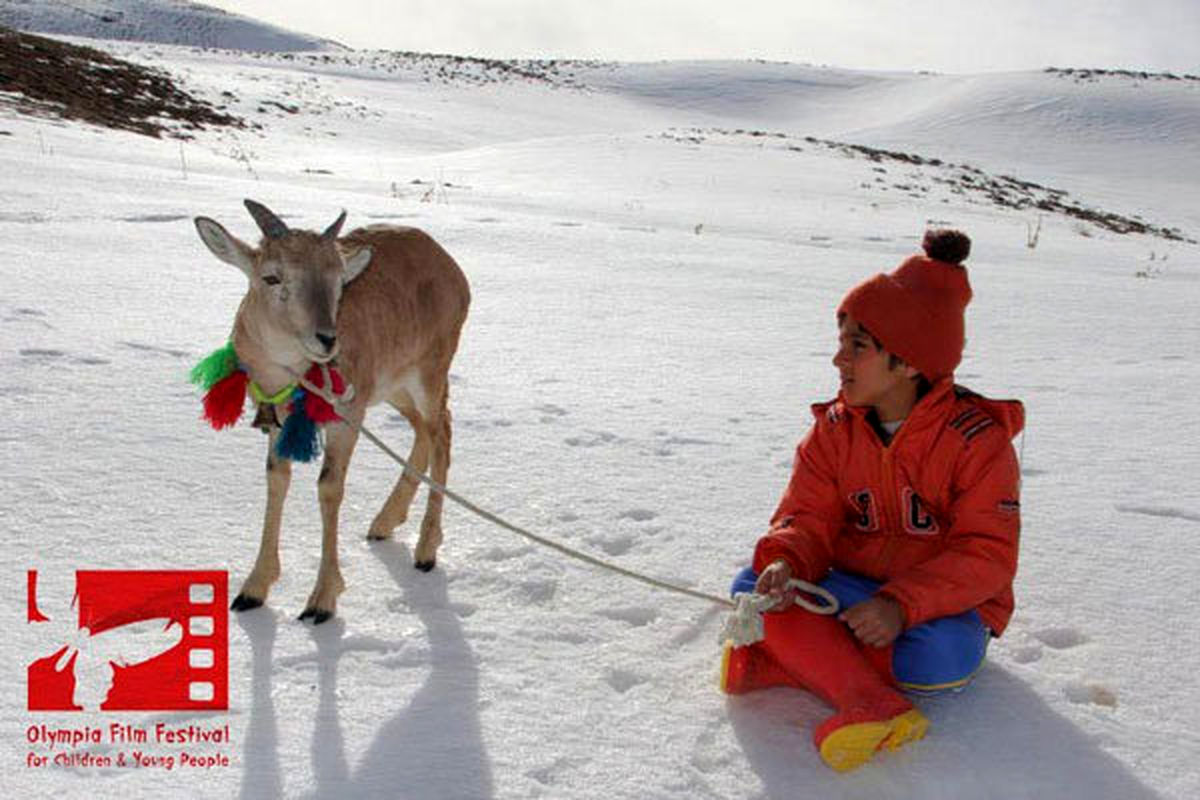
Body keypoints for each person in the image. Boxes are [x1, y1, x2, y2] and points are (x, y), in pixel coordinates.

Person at [720, 229, 1024, 772]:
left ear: (908, 362)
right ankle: (870, 701)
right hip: (852, 586)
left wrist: (900, 605)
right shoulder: (834, 430)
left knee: (939, 661)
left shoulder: (978, 442)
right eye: (841, 340)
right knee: (752, 586)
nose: (838, 359)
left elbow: (987, 556)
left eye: (857, 346)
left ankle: (797, 661)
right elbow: (806, 516)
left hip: (938, 610)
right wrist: (788, 560)